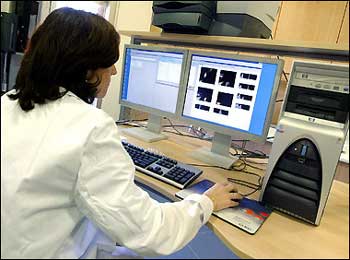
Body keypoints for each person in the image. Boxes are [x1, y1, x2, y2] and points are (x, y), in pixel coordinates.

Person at [1, 7, 243, 259]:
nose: (114, 72)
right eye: (109, 63)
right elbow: (151, 232)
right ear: (86, 70)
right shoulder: (89, 127)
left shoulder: (7, 103)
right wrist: (206, 203)